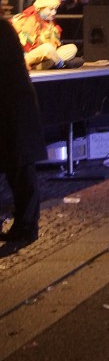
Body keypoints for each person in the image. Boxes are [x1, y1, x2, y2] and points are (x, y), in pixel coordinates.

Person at [0, 20, 44, 250]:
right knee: (17, 168)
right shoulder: (5, 29)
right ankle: (23, 226)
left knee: (21, 169)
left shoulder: (3, 31)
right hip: (11, 109)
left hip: (14, 109)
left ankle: (26, 227)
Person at [11, 0, 81, 70]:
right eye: (51, 9)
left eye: (55, 9)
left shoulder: (50, 22)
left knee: (72, 48)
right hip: (27, 56)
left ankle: (44, 65)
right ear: (40, 8)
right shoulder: (25, 19)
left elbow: (54, 45)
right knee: (47, 48)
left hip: (46, 56)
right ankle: (62, 65)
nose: (54, 12)